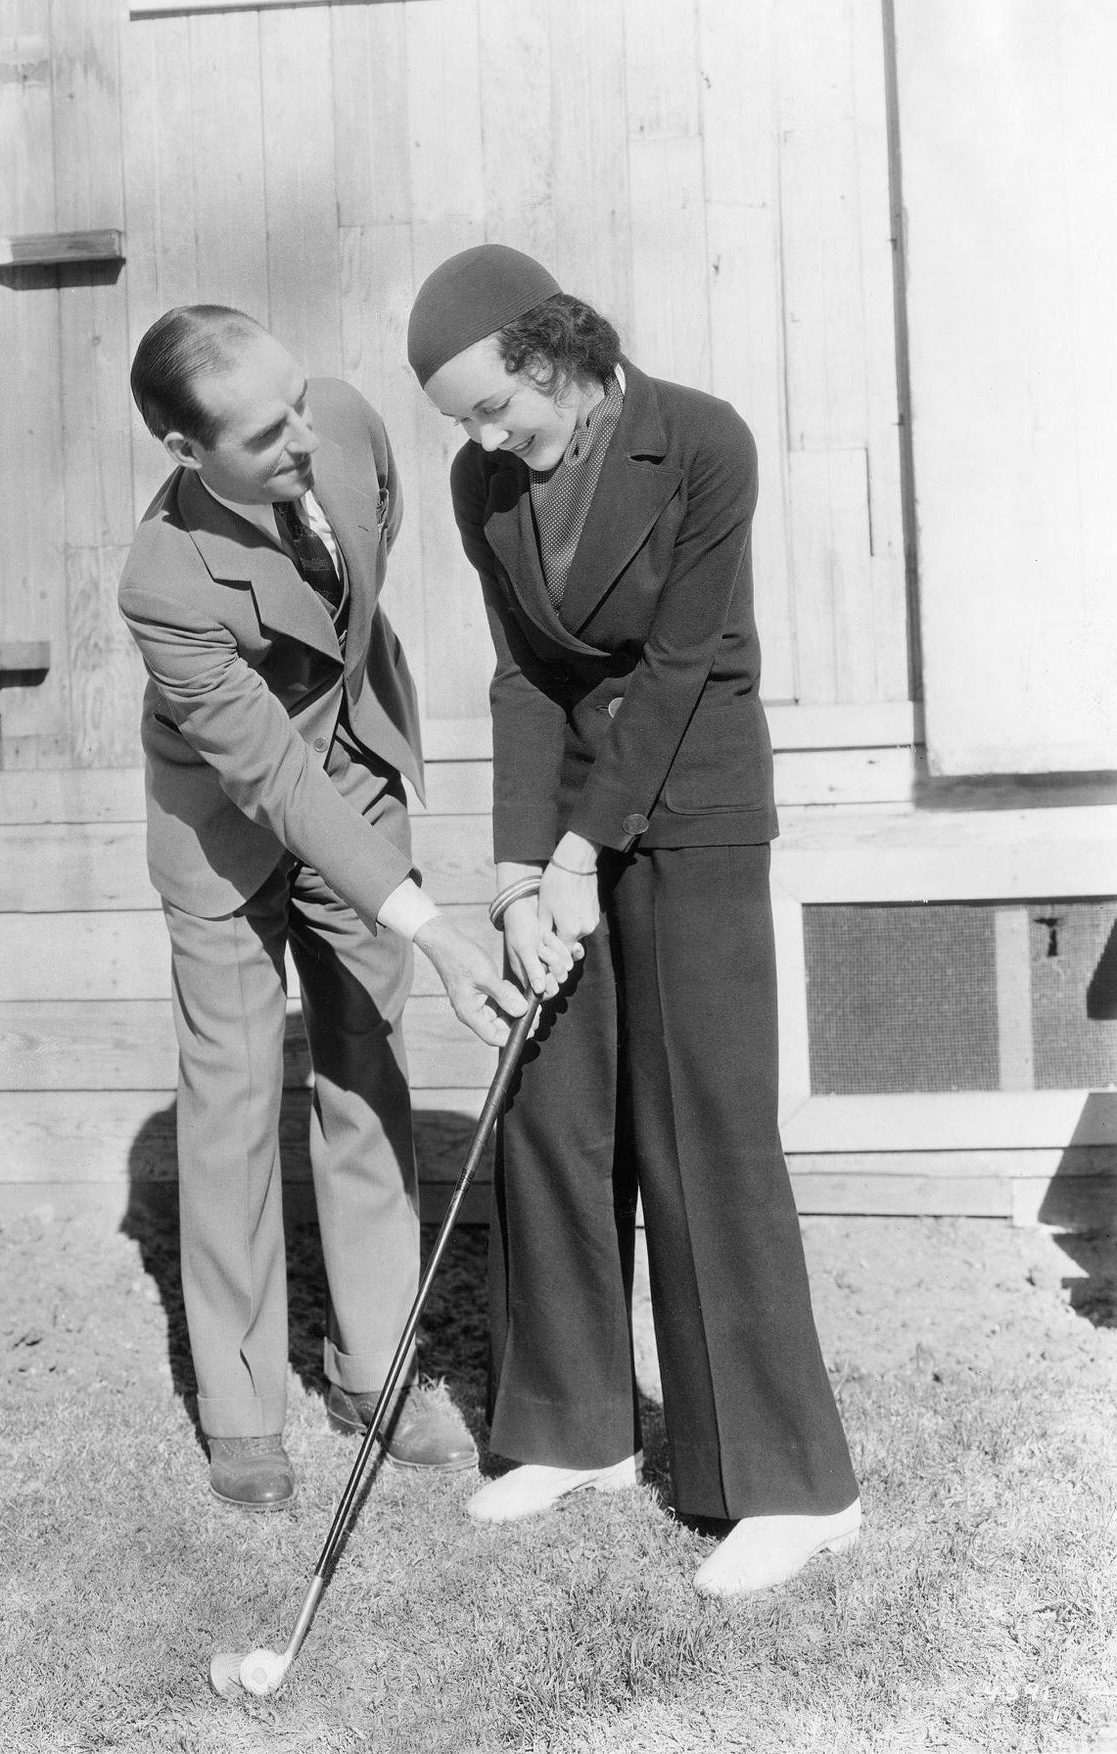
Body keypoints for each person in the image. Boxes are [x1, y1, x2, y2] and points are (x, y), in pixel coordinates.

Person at [405, 246, 861, 1596]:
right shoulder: (482, 484)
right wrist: (511, 874)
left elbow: (672, 674)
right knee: (553, 1100)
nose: (487, 439)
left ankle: (791, 1483)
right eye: (466, 422)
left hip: (697, 802)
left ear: (555, 352)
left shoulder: (703, 441)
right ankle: (574, 1428)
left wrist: (575, 859)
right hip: (563, 825)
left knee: (702, 1124)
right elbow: (523, 679)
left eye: (498, 406)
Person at [119, 305, 528, 1513]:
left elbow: (362, 566)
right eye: (261, 433)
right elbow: (271, 780)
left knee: (366, 1073)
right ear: (185, 452)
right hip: (229, 819)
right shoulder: (164, 580)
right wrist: (436, 926)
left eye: (297, 404)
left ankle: (376, 1369)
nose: (301, 439)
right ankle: (241, 1407)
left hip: (351, 764)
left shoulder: (338, 424)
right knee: (235, 1101)